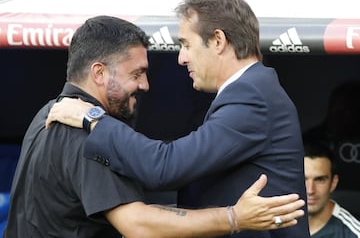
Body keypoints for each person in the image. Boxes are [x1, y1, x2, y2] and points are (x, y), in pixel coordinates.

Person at [2, 15, 306, 238]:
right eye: (137, 73)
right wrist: (233, 217)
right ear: (99, 73)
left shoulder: (48, 112)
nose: (145, 85)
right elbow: (139, 224)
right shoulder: (87, 132)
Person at [304, 141, 360, 237]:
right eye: (303, 179)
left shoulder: (352, 234)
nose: (310, 190)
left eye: (320, 180)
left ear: (333, 183)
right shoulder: (277, 222)